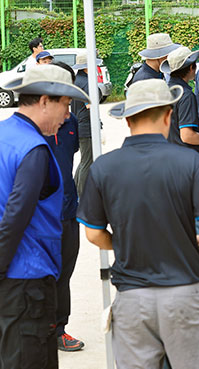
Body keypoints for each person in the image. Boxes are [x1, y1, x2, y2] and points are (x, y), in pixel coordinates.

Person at [77, 79, 199, 369]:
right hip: (184, 293)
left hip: (132, 299)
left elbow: (93, 234)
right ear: (169, 115)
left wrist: (119, 243)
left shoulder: (103, 168)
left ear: (128, 118)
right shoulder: (188, 162)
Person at [0, 64, 89, 369]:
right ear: (44, 101)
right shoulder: (35, 149)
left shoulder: (4, 135)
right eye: (65, 105)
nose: (67, 115)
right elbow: (16, 216)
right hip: (26, 279)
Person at [41, 61, 85, 352]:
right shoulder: (29, 129)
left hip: (68, 212)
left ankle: (59, 329)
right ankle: (41, 330)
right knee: (42, 276)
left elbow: (72, 156)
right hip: (40, 217)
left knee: (64, 273)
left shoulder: (70, 122)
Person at [71, 51, 101, 197]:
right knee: (87, 162)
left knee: (84, 160)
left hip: (79, 124)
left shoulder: (77, 80)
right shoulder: (87, 82)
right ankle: (82, 195)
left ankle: (76, 188)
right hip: (87, 126)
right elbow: (90, 106)